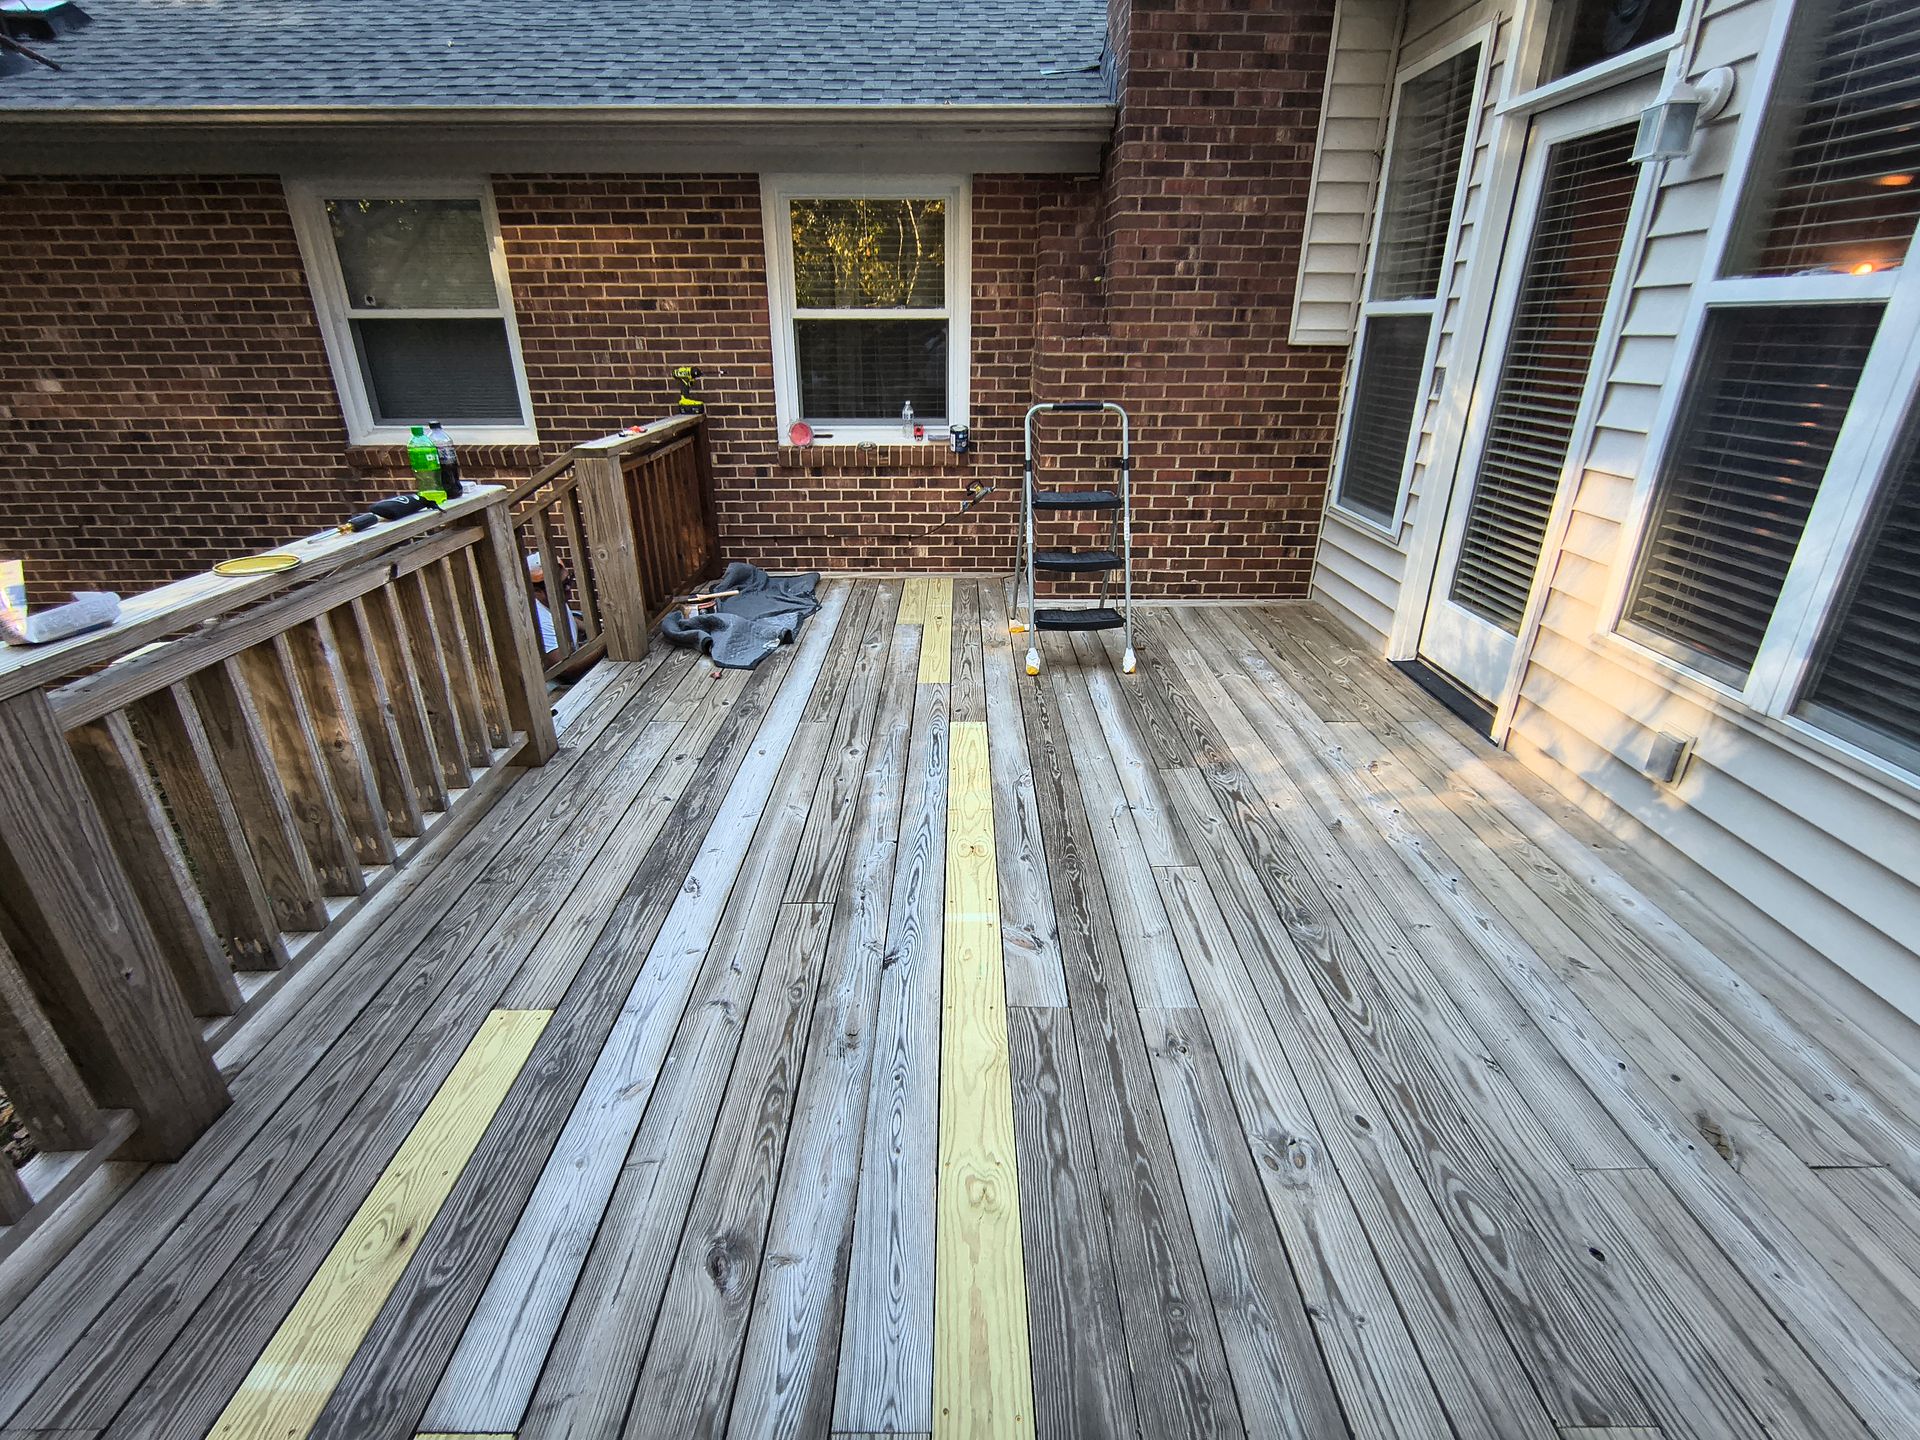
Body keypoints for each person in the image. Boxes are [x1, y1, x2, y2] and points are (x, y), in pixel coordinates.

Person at [524, 552, 583, 656]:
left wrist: (588, 627)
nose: (568, 588)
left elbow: (569, 619)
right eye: (563, 585)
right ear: (537, 591)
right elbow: (567, 668)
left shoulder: (555, 599)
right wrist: (606, 642)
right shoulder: (539, 621)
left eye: (568, 580)